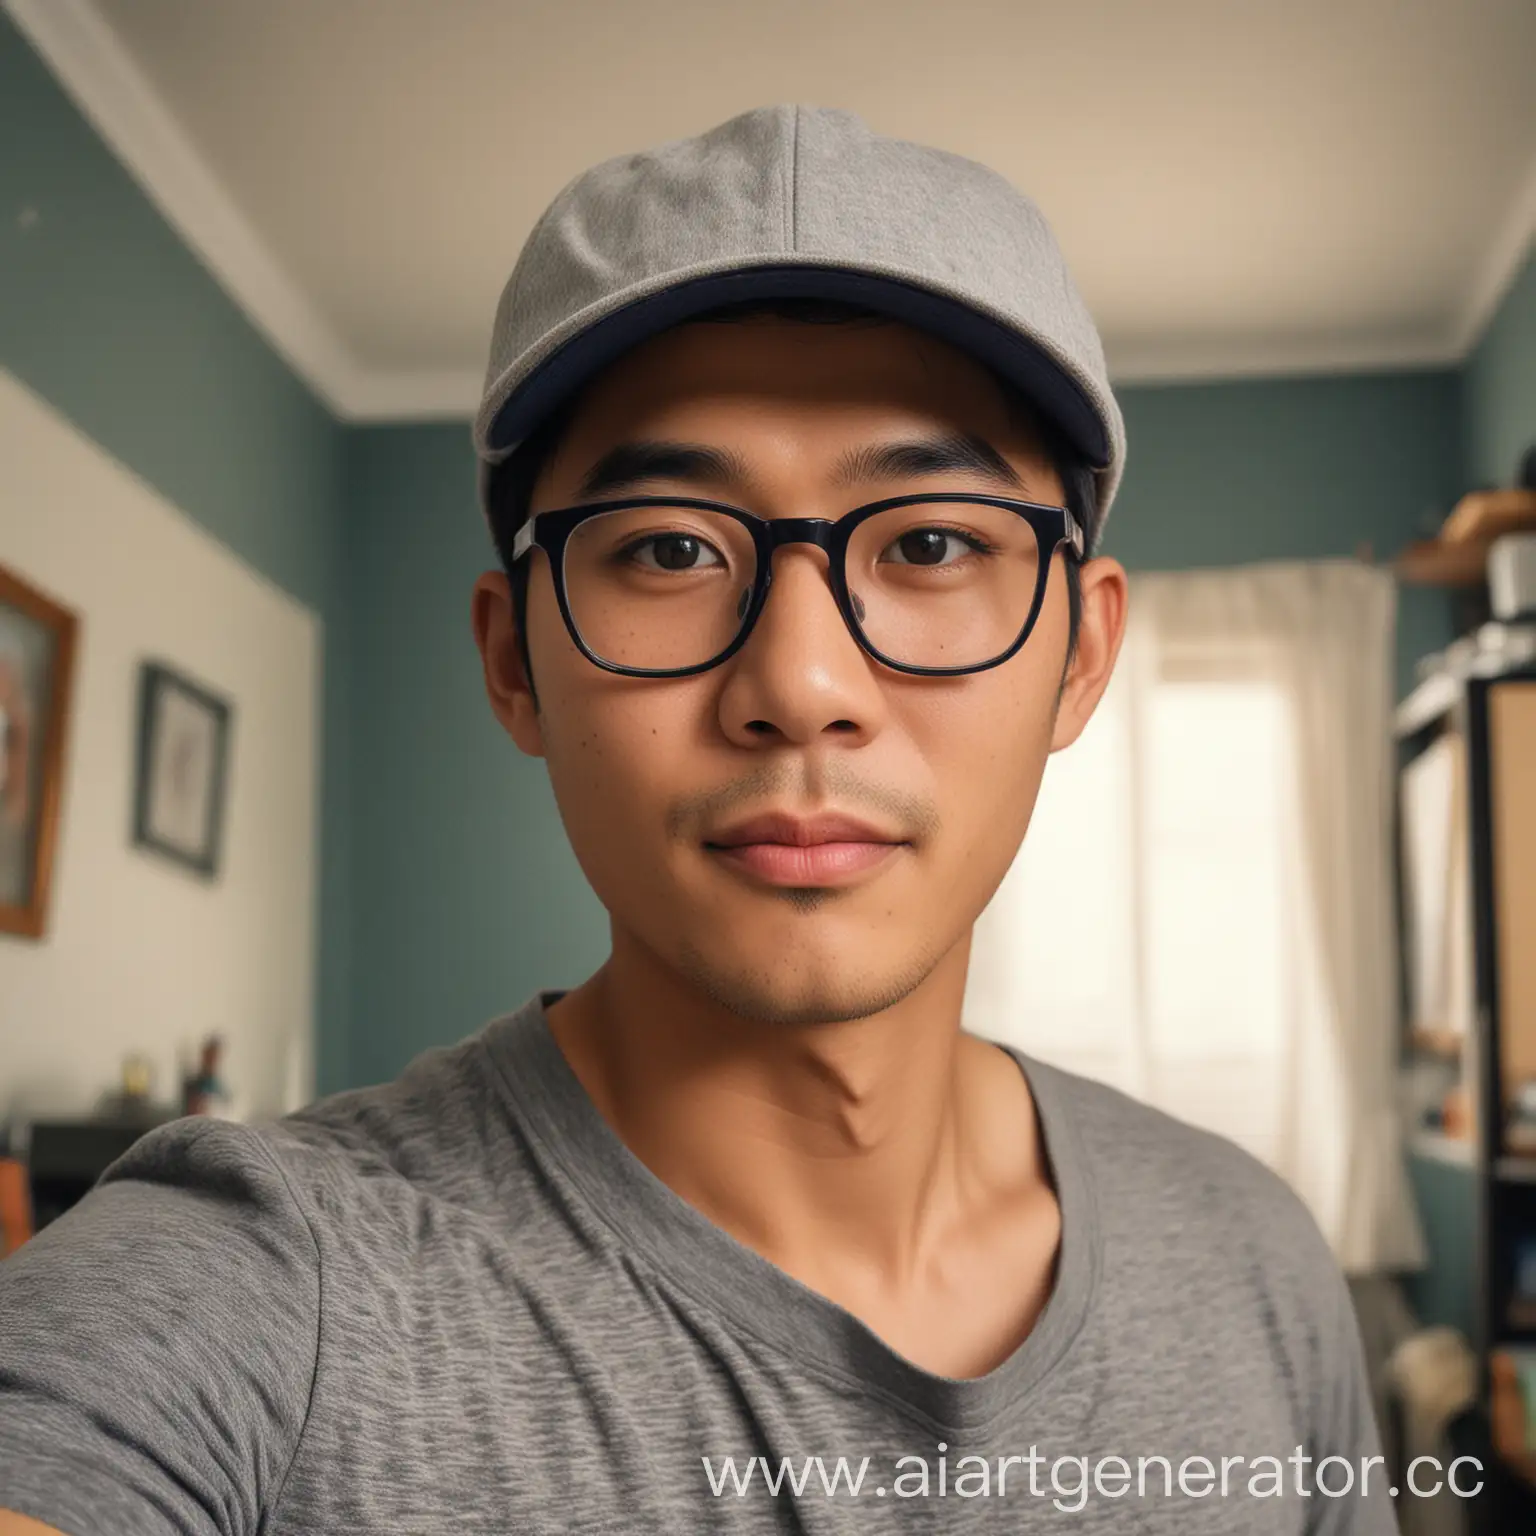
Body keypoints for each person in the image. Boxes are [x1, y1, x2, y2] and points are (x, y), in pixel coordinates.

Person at [0, 105, 1397, 1535]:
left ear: (1081, 657)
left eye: (929, 542)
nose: (800, 684)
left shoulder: (1253, 1264)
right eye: (667, 548)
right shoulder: (272, 1290)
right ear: (512, 660)